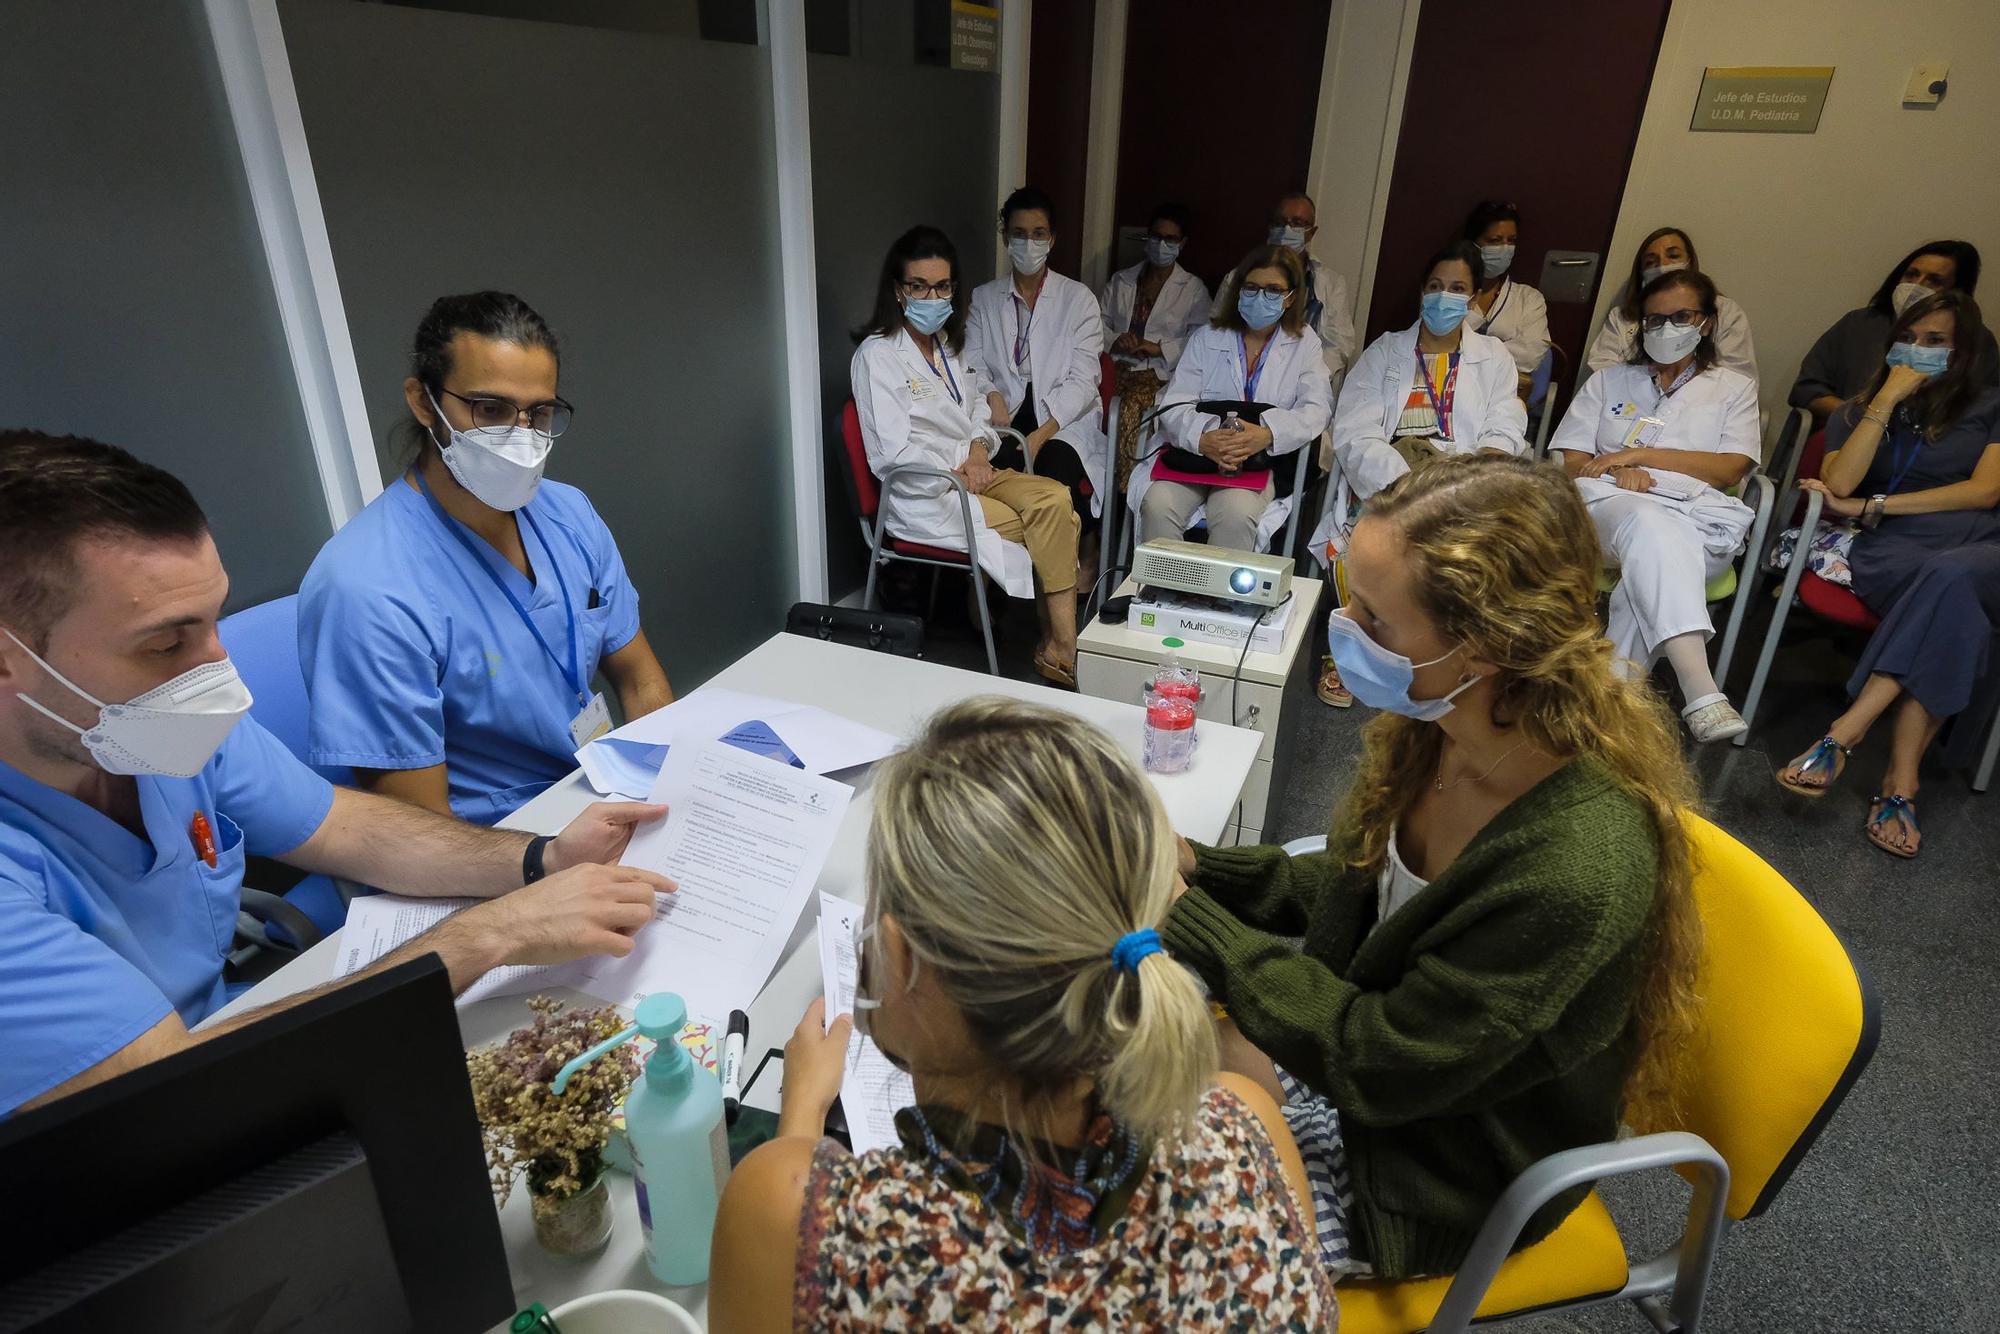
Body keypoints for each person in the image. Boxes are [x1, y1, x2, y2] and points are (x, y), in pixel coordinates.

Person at [0, 431, 675, 1117]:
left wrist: (543, 857)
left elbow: (340, 826)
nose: (216, 671)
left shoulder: (153, 737)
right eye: (168, 642)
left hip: (242, 1033)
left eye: (214, 622)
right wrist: (487, 936)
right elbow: (166, 1088)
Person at [1162, 455, 1701, 1281]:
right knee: (1117, 1094)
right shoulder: (1444, 724)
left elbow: (1380, 1058)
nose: (1345, 630)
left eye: (1375, 620)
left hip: (1431, 1176)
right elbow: (1356, 886)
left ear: (1484, 646)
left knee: (1133, 1238)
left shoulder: (1576, 865)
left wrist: (1186, 918)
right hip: (1372, 1084)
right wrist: (1199, 867)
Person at [711, 698, 1336, 1329]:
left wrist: (799, 1123)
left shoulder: (795, 1216)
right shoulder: (1249, 1124)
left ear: (901, 958)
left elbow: (783, 1255)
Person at [299, 292, 673, 825]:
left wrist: (669, 790)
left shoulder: (569, 513)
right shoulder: (366, 586)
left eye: (539, 412)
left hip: (598, 795)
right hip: (494, 839)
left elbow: (640, 680)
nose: (521, 435)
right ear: (424, 402)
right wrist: (552, 862)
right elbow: (421, 834)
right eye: (490, 409)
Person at [1776, 291, 2000, 859]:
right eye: (1909, 339)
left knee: (1953, 576)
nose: (1917, 351)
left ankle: (1845, 732)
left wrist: (1877, 508)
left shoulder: (1992, 405)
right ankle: (1901, 784)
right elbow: (1842, 484)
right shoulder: (1858, 409)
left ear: (1963, 353)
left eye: (1936, 342)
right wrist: (1888, 399)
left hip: (1983, 543)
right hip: (1897, 554)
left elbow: (1986, 490)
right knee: (1954, 602)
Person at [852, 225, 1082, 687]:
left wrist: (979, 451)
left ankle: (1059, 645)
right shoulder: (878, 356)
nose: (932, 296)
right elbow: (891, 455)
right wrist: (959, 471)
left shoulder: (948, 349)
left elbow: (978, 412)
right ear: (899, 291)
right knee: (1059, 520)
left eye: (942, 286)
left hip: (976, 471)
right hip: (929, 492)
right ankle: (1063, 648)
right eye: (919, 285)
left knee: (1055, 497)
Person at [1552, 269, 1759, 743]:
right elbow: (1573, 463)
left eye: (1680, 316)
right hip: (1609, 510)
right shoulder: (1609, 381)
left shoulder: (1733, 388)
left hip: (1696, 518)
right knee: (1645, 520)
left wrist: (1639, 455)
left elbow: (1730, 470)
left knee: (1647, 560)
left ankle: (1600, 718)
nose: (1666, 329)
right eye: (1654, 320)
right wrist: (1617, 474)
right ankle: (1700, 688)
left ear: (1705, 322)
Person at [1137, 244, 1333, 555]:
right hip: (1196, 456)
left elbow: (1316, 408)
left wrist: (1267, 433)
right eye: (1251, 288)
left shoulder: (1303, 343)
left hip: (1257, 460)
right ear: (1238, 290)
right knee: (1157, 504)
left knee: (1234, 513)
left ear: (1290, 297)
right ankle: (1160, 597)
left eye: (1273, 290)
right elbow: (1173, 405)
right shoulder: (1207, 337)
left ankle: (1221, 603)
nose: (1260, 297)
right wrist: (1205, 438)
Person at [1328, 240, 1529, 504]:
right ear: (1422, 293)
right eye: (1435, 287)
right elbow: (1356, 429)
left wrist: (1481, 472)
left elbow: (1504, 422)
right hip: (1395, 482)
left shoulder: (1493, 355)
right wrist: (1404, 485)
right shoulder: (1385, 350)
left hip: (1464, 486)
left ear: (1473, 299)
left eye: (1457, 289)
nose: (1443, 296)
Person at [963, 187, 1107, 534]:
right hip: (1004, 412)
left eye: (1038, 234)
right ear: (1005, 237)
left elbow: (1083, 380)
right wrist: (993, 395)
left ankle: (1062, 568)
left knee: (1055, 468)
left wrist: (1041, 435)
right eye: (1019, 234)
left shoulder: (1078, 299)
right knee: (996, 474)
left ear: (1052, 239)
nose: (1029, 243)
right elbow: (972, 363)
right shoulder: (984, 298)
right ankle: (1005, 575)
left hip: (1062, 419)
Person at [1788, 241, 1997, 425]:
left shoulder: (1977, 340)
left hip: (1930, 445)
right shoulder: (1859, 324)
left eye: (1934, 280)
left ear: (1956, 292)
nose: (1916, 285)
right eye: (1912, 274)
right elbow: (1806, 389)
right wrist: (1862, 419)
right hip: (1850, 430)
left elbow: (1985, 407)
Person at [1099, 201, 1212, 492]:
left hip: (1156, 372)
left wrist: (1160, 347)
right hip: (1117, 365)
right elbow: (1096, 323)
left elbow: (1202, 339)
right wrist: (1116, 339)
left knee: (1128, 408)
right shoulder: (1122, 280)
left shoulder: (1193, 288)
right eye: (1157, 236)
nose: (1162, 244)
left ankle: (1124, 490)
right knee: (1096, 406)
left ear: (1182, 243)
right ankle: (1096, 487)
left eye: (1171, 239)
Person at [1586, 227, 1757, 383]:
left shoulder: (1724, 311)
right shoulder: (1622, 316)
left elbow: (1738, 377)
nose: (1662, 265)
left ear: (1689, 263)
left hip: (1701, 407)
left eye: (1673, 256)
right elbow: (1602, 368)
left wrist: (1679, 392)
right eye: (1651, 262)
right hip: (1631, 404)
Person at [1263, 189, 1358, 384]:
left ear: (1311, 233)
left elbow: (1339, 344)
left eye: (1297, 223)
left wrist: (1303, 378)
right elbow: (1220, 328)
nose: (1287, 229)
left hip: (1305, 385)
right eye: (1281, 223)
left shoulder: (1331, 284)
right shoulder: (1238, 278)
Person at [1460, 199, 1551, 394]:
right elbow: (1439, 342)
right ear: (1473, 244)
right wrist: (1501, 347)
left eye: (1511, 241)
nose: (1505, 248)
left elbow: (1530, 355)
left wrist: (1468, 348)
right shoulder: (1447, 290)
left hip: (1505, 393)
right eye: (1494, 240)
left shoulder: (1530, 299)